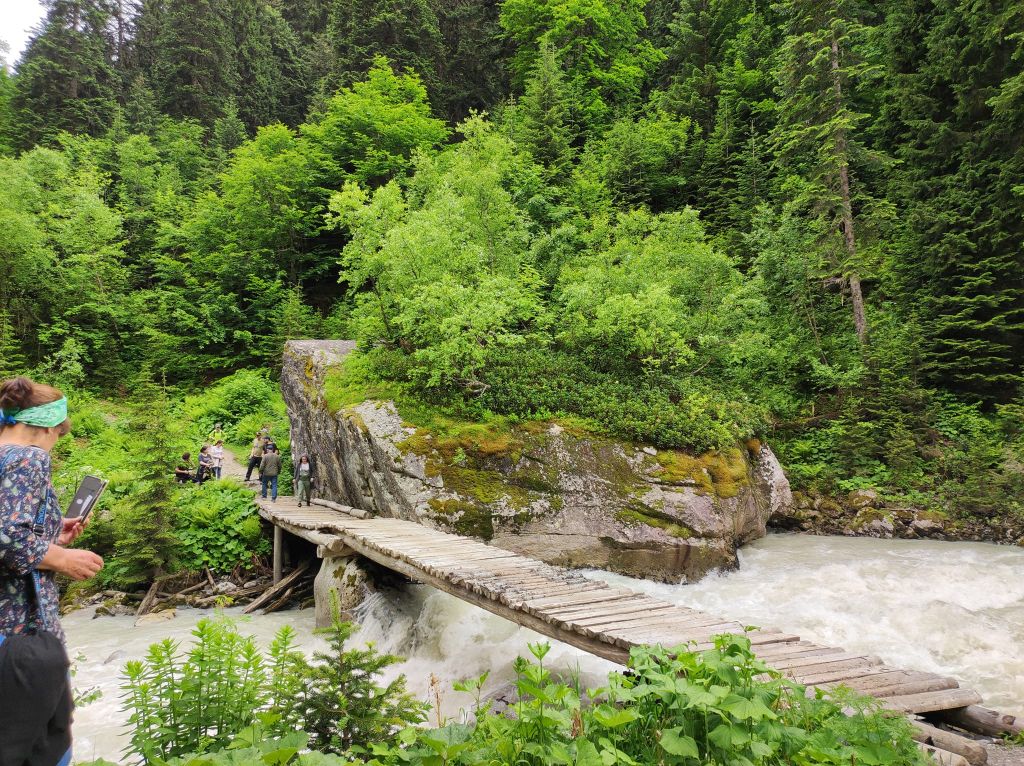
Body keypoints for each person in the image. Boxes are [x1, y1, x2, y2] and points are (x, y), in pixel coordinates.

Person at [0, 376, 104, 766]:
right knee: (43, 748)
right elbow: (7, 534)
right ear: (45, 427)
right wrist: (63, 559)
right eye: (57, 435)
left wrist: (52, 535)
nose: (54, 444)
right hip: (21, 636)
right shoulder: (28, 457)